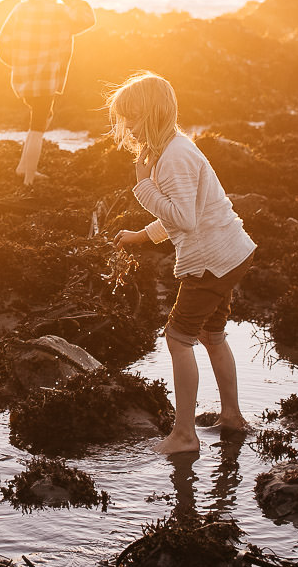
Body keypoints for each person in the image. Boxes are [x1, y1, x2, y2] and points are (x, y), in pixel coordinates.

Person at [109, 70, 255, 455]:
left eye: (134, 117)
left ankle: (185, 436)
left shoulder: (173, 157)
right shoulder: (174, 148)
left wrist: (143, 187)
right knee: (211, 334)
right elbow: (185, 213)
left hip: (211, 260)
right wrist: (141, 236)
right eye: (123, 117)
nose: (128, 126)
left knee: (177, 339)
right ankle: (232, 417)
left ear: (155, 115)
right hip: (231, 253)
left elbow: (185, 219)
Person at [0, 0, 94, 185]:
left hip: (24, 79)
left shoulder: (20, 9)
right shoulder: (60, 12)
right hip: (47, 80)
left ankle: (23, 167)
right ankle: (29, 180)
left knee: (41, 118)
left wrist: (18, 64)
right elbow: (88, 18)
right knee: (38, 127)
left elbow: (1, 42)